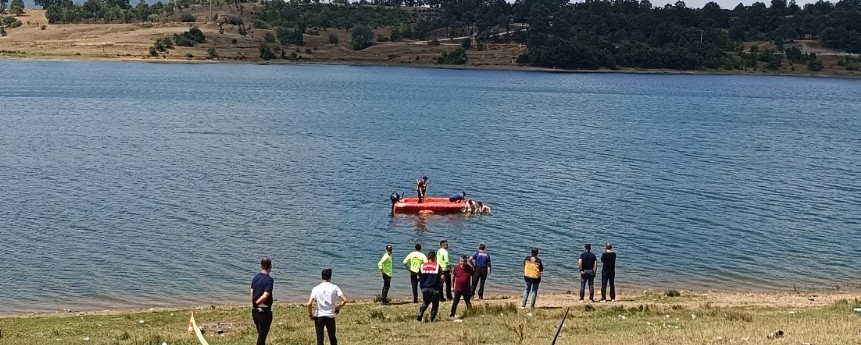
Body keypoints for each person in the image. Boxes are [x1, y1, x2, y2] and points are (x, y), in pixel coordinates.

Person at [307, 269, 348, 345]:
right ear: (330, 277)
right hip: (330, 315)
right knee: (332, 338)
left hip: (319, 316)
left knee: (320, 340)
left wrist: (310, 315)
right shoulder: (334, 287)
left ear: (322, 277)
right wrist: (337, 308)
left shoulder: (316, 288)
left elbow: (309, 304)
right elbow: (344, 300)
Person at [250, 257, 274, 345]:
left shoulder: (255, 278)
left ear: (261, 266)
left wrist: (253, 304)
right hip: (264, 312)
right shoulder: (269, 280)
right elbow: (265, 295)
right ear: (270, 267)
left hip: (255, 312)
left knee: (261, 334)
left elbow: (251, 292)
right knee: (262, 337)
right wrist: (256, 303)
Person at [416, 251, 443, 322]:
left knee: (426, 302)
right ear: (434, 258)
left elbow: (418, 277)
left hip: (424, 288)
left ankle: (420, 312)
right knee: (435, 304)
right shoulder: (437, 266)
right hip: (434, 288)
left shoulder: (422, 266)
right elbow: (442, 277)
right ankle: (432, 320)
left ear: (428, 257)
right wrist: (441, 283)